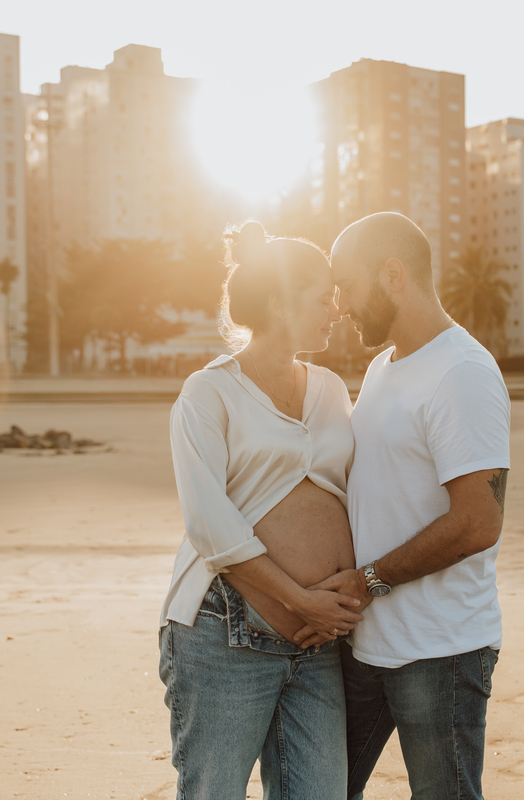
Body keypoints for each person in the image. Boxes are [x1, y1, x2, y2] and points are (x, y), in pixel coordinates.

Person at [306, 212, 511, 800]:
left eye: (346, 284)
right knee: (315, 789)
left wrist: (370, 579)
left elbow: (478, 521)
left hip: (439, 650)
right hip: (365, 643)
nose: (340, 305)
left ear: (393, 274)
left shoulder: (462, 372)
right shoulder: (383, 366)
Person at [158, 221, 364, 800]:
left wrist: (344, 596)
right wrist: (300, 598)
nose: (336, 310)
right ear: (277, 301)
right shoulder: (209, 393)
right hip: (224, 632)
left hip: (317, 643)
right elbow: (208, 522)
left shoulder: (329, 389)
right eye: (322, 299)